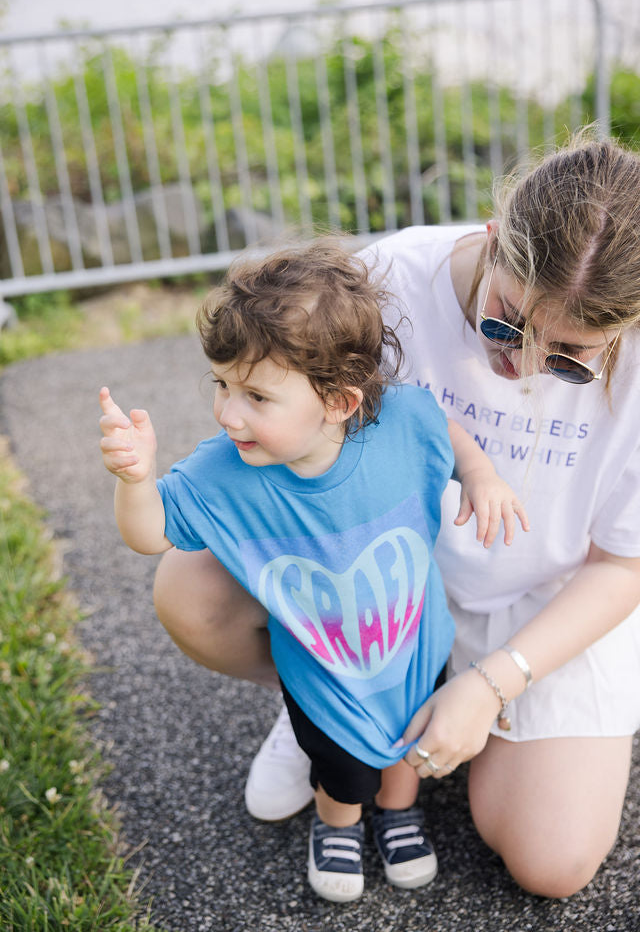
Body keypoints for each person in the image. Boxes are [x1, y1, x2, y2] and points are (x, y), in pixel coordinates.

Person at [149, 132, 640, 899]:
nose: (526, 368)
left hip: (554, 594)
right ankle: (326, 699)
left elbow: (623, 564)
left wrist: (493, 682)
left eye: (574, 357)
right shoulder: (387, 280)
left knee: (554, 864)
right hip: (381, 577)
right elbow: (285, 418)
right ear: (490, 237)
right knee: (191, 589)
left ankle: (429, 717)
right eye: (507, 324)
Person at [98, 241, 528, 903]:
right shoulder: (225, 470)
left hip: (413, 642)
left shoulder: (402, 425)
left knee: (409, 742)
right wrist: (134, 478)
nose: (226, 413)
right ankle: (338, 825)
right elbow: (149, 533)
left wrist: (483, 476)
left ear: (338, 403)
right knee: (339, 766)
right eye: (221, 385)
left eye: (256, 396)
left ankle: (399, 811)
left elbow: (444, 430)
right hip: (321, 670)